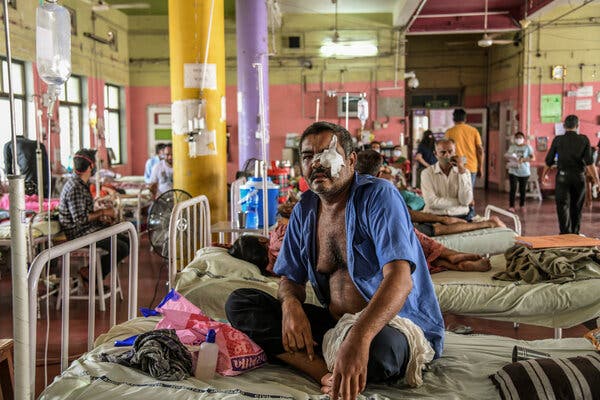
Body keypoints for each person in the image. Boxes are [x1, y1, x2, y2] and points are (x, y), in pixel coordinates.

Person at [226, 121, 444, 400]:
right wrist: (291, 305)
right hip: (336, 325)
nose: (316, 162)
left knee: (382, 353)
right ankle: (324, 373)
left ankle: (344, 354)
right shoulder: (304, 209)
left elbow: (400, 279)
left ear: (351, 160)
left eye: (326, 152)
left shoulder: (378, 196)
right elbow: (289, 280)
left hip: (391, 325)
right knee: (241, 303)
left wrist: (360, 337)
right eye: (307, 156)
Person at [58, 149, 129, 279]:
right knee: (122, 248)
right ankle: (90, 275)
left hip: (88, 229)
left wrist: (101, 218)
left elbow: (85, 213)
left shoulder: (82, 184)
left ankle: (91, 274)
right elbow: (80, 220)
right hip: (79, 234)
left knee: (126, 240)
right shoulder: (75, 187)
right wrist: (103, 212)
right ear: (91, 166)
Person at [542, 115, 600, 234]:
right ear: (578, 126)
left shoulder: (558, 140)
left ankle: (564, 234)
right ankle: (574, 234)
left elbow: (549, 161)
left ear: (564, 126)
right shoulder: (584, 139)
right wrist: (597, 180)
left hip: (562, 177)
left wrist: (543, 176)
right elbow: (590, 163)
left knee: (562, 206)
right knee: (576, 207)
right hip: (579, 177)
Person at [420, 139, 473, 220]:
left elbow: (466, 201)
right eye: (443, 152)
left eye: (450, 151)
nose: (447, 155)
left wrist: (461, 171)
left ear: (455, 153)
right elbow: (431, 202)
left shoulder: (464, 172)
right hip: (435, 217)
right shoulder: (427, 173)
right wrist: (459, 202)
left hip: (461, 216)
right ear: (435, 154)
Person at [445, 109, 483, 189]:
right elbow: (480, 150)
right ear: (465, 119)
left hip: (455, 166)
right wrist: (480, 167)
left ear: (453, 119)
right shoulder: (474, 131)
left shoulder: (449, 132)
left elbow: (446, 151)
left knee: (456, 192)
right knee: (468, 193)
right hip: (471, 165)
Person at [505, 132, 535, 212]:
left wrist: (523, 159)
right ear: (514, 139)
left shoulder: (527, 147)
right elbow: (508, 156)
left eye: (520, 137)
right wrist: (510, 158)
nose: (518, 139)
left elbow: (533, 158)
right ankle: (511, 206)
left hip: (524, 171)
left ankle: (522, 205)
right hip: (513, 170)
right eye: (517, 137)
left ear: (523, 139)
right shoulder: (512, 147)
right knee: (513, 188)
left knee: (522, 189)